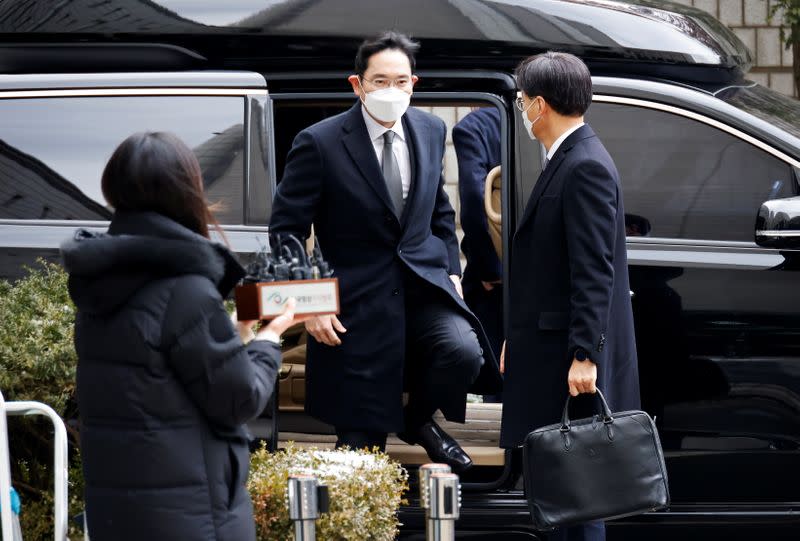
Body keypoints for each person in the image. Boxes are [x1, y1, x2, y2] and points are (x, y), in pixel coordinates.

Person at [270, 31, 501, 472]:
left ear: (414, 83)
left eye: (400, 81)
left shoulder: (431, 130)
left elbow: (440, 212)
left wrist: (452, 272)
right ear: (357, 85)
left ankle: (418, 422)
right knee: (361, 452)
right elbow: (286, 231)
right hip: (355, 305)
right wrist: (311, 302)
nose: (390, 91)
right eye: (379, 81)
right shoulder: (319, 142)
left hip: (422, 289)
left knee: (463, 352)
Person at [61, 132, 301, 541]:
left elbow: (159, 382)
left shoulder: (100, 281)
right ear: (187, 190)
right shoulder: (185, 289)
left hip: (119, 511)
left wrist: (236, 335)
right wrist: (269, 339)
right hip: (191, 514)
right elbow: (238, 397)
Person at [499, 52, 640, 541]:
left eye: (521, 100)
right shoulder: (569, 156)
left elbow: (593, 269)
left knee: (578, 496)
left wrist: (585, 352)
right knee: (565, 493)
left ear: (539, 105)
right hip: (548, 346)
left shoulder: (584, 166)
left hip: (571, 362)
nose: (520, 109)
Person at [452, 107, 503, 402]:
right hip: (538, 268)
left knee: (497, 370)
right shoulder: (544, 120)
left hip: (494, 275)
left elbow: (473, 202)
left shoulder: (473, 127)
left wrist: (489, 270)